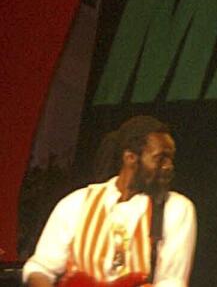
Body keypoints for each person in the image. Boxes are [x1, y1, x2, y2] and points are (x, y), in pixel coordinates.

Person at [23, 116, 196, 286]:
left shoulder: (176, 209)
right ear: (130, 158)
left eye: (170, 158)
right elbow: (41, 267)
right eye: (160, 158)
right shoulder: (77, 203)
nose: (168, 166)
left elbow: (171, 281)